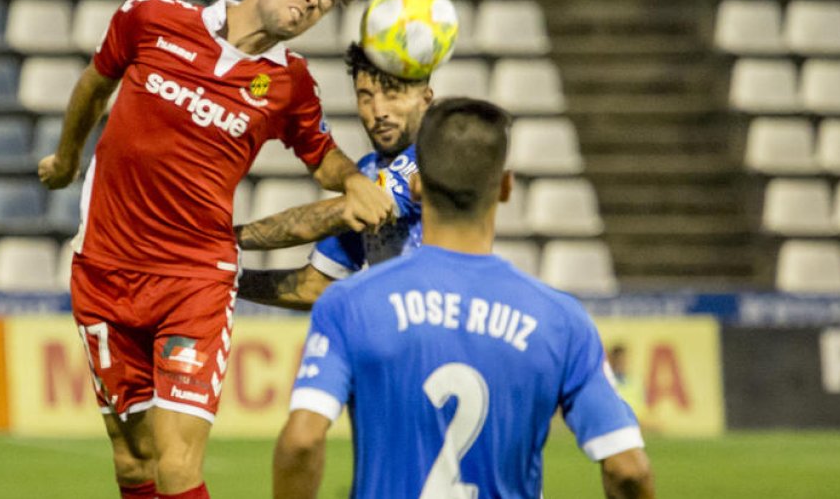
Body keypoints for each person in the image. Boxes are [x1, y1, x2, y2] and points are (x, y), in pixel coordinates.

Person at [37, 0, 396, 499]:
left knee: (178, 467)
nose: (311, 2)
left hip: (194, 280)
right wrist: (66, 159)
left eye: (324, 3)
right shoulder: (151, 18)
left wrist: (352, 180)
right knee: (135, 464)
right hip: (103, 270)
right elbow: (94, 83)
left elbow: (320, 153)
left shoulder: (288, 84)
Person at [273, 98, 656, 499]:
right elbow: (627, 469)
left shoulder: (349, 305)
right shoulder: (562, 320)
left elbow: (302, 441)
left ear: (417, 186)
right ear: (505, 187)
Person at [234, 42, 433, 309]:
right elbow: (316, 287)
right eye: (366, 97)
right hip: (399, 340)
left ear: (426, 99)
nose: (378, 112)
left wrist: (228, 238)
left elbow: (351, 209)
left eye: (392, 94)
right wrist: (221, 277)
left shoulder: (435, 156)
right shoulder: (370, 171)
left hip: (448, 344)